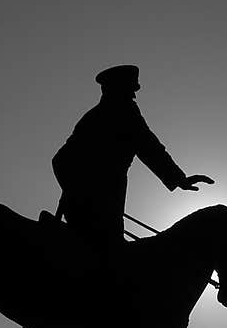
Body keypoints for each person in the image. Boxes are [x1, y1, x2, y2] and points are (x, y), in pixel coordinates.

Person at [52, 65, 214, 251]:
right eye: (130, 92)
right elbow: (150, 148)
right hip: (101, 204)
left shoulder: (94, 115)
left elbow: (60, 161)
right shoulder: (123, 113)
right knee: (109, 254)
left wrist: (75, 194)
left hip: (90, 203)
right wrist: (179, 179)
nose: (133, 97)